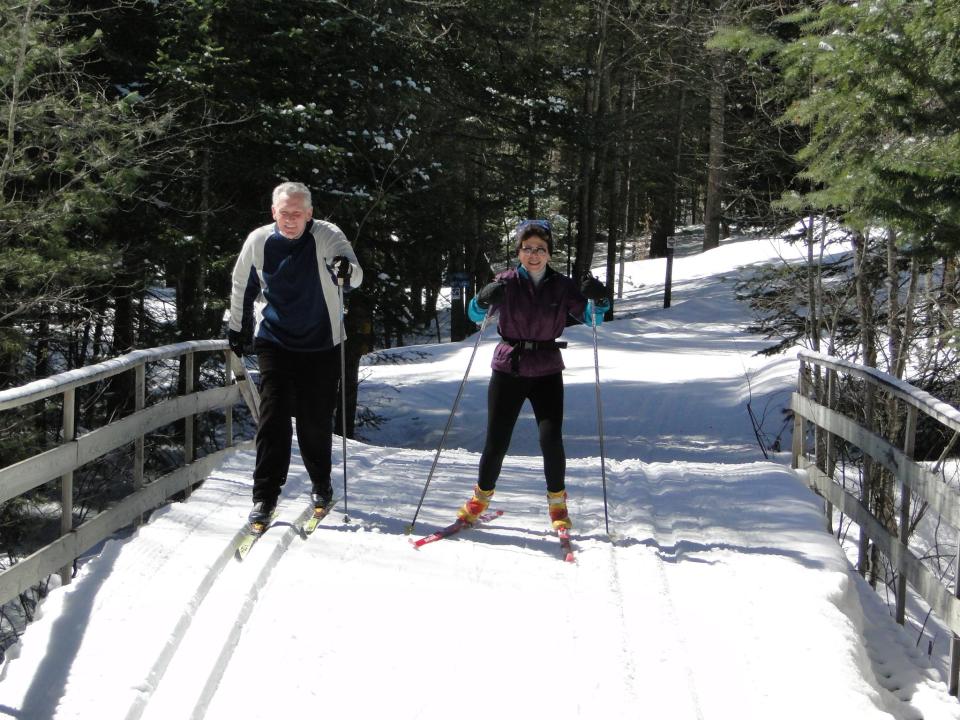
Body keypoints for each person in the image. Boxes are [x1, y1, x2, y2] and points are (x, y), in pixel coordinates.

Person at [457, 218, 608, 530]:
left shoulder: (563, 285)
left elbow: (593, 319)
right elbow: (475, 315)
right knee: (497, 440)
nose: (534, 254)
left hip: (547, 369)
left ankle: (557, 504)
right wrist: (482, 297)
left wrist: (601, 299)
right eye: (527, 249)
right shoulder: (507, 281)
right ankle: (480, 499)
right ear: (519, 252)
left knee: (550, 439)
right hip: (508, 367)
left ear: (549, 252)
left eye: (540, 248)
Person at [227, 182, 363, 527]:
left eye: (297, 213)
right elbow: (242, 284)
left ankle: (320, 483)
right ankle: (265, 495)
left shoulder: (327, 235)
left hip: (322, 342)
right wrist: (237, 327)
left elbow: (354, 273)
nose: (290, 219)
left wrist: (345, 272)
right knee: (273, 417)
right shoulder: (259, 241)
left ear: (309, 214)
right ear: (274, 212)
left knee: (314, 420)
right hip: (275, 340)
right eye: (284, 212)